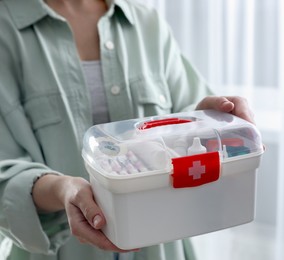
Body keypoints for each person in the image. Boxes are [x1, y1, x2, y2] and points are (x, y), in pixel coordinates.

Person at [0, 0, 255, 259]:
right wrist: (62, 189)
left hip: (162, 246)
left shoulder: (146, 23)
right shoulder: (5, 29)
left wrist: (204, 117)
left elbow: (188, 112)